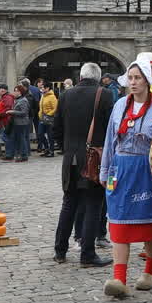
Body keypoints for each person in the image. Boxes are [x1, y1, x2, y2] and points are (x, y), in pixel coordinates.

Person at [99, 59, 152, 298]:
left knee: (149, 224)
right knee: (118, 221)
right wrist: (104, 170)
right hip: (120, 169)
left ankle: (150, 272)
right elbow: (110, 140)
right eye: (130, 78)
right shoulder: (120, 105)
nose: (133, 82)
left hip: (147, 171)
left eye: (138, 78)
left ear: (147, 81)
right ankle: (119, 278)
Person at [52, 62, 112, 268]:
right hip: (93, 158)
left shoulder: (65, 95)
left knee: (69, 203)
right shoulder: (103, 95)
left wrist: (67, 148)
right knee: (93, 205)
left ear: (81, 76)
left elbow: (56, 128)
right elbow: (109, 129)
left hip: (70, 159)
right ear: (98, 77)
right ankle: (87, 253)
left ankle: (60, 250)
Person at [8, 85, 32, 163]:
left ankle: (24, 156)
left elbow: (24, 112)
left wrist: (13, 112)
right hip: (17, 122)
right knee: (19, 139)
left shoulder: (23, 100)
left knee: (22, 139)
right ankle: (20, 154)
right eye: (14, 90)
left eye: (16, 90)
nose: (15, 92)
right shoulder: (17, 100)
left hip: (22, 123)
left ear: (20, 92)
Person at [37, 82, 58, 159]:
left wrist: (49, 114)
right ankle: (46, 148)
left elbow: (55, 108)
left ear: (47, 88)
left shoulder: (52, 97)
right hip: (42, 118)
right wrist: (40, 114)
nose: (41, 89)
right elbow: (41, 107)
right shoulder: (43, 96)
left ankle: (51, 151)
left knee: (50, 136)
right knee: (40, 134)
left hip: (49, 119)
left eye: (43, 87)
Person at [0, 85, 15, 161]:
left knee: (6, 138)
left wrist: (0, 114)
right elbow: (3, 108)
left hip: (5, 122)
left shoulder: (7, 98)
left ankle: (9, 155)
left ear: (3, 90)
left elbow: (8, 109)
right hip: (2, 121)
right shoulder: (4, 98)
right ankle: (8, 154)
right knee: (6, 138)